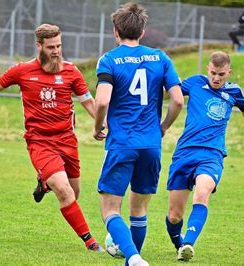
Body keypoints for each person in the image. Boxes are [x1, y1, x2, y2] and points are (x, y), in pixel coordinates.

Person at [0, 24, 103, 252]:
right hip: (40, 142)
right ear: (39, 46)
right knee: (64, 190)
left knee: (73, 193)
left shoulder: (71, 71)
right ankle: (91, 242)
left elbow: (87, 100)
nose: (56, 51)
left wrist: (102, 123)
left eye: (59, 45)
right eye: (51, 47)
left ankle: (44, 183)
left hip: (67, 140)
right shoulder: (22, 70)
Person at [165, 51, 244, 262]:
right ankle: (179, 244)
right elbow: (168, 93)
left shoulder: (234, 91)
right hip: (184, 153)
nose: (216, 78)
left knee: (202, 193)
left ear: (229, 72)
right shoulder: (193, 83)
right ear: (207, 70)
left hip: (212, 154)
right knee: (174, 216)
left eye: (221, 74)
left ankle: (189, 243)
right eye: (213, 73)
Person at [93, 3, 184, 265]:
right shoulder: (161, 58)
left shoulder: (109, 59)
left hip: (122, 142)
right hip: (151, 144)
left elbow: (101, 102)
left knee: (110, 209)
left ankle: (132, 256)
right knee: (139, 208)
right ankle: (133, 258)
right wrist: (164, 126)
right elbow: (177, 100)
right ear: (142, 31)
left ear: (115, 31)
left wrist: (98, 125)